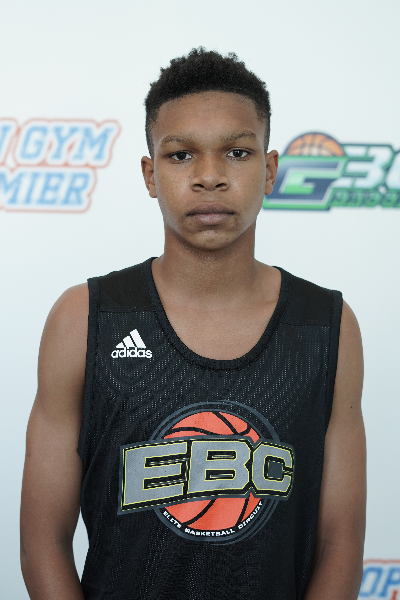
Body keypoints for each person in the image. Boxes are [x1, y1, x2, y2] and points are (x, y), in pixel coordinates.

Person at [20, 48, 366, 600]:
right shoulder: (83, 318)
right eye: (181, 155)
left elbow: (341, 543)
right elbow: (43, 541)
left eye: (236, 152)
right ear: (150, 174)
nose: (210, 177)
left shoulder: (326, 326)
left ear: (269, 170)